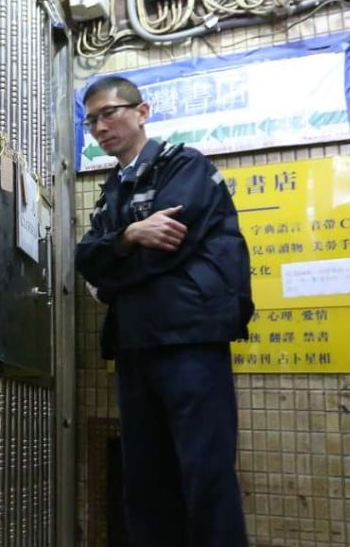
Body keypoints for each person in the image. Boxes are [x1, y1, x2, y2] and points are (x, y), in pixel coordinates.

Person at [75, 75, 254, 546]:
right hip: (135, 346)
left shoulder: (185, 168)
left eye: (109, 112)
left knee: (205, 475)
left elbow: (166, 249)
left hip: (190, 342)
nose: (99, 127)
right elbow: (85, 260)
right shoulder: (112, 192)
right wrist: (130, 237)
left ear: (142, 112)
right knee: (145, 481)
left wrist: (113, 274)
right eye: (91, 119)